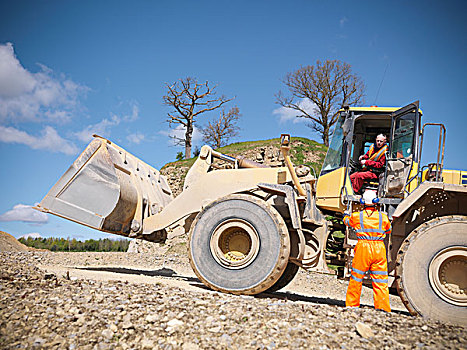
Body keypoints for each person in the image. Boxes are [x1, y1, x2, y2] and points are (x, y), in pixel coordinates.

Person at [343, 190, 392, 312]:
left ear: (362, 202)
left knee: (356, 278)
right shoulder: (383, 217)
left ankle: (352, 306)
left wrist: (345, 214)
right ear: (376, 202)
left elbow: (347, 222)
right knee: (380, 280)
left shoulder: (357, 216)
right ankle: (383, 308)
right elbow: (388, 230)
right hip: (379, 248)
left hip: (363, 248)